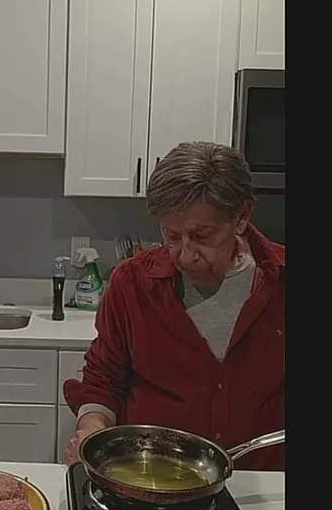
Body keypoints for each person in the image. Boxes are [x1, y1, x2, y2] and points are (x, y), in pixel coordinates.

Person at [62, 141, 284, 471]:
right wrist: (92, 428)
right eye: (172, 237)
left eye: (202, 236)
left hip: (261, 480)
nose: (186, 255)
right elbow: (103, 379)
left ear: (241, 217)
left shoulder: (280, 281)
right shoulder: (132, 283)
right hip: (149, 475)